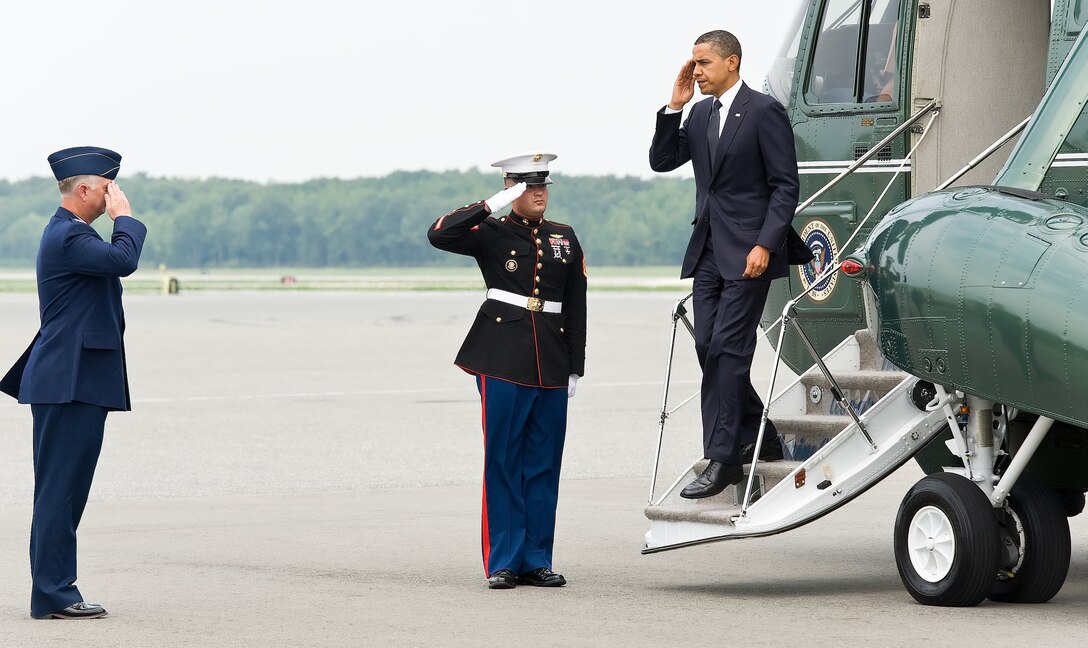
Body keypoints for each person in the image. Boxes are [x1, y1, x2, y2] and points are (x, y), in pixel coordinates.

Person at [649, 31, 811, 499]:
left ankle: (723, 461)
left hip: (749, 255)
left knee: (729, 351)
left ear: (731, 63)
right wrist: (674, 107)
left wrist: (766, 244)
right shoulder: (699, 113)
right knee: (707, 346)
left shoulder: (763, 112)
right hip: (707, 250)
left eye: (702, 63)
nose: (695, 71)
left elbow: (785, 186)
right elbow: (662, 161)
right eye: (693, 64)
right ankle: (762, 433)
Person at [427, 153, 586, 589]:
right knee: (503, 461)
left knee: (543, 464)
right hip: (499, 359)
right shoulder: (491, 233)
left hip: (551, 361)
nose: (539, 193)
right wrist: (492, 202)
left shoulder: (564, 237)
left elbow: (576, 304)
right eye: (527, 186)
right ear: (512, 189)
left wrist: (576, 366)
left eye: (543, 185)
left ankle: (537, 559)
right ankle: (503, 560)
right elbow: (439, 233)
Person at [0, 147, 147, 619]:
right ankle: (54, 593)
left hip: (73, 379)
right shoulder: (68, 237)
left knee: (63, 491)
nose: (114, 195)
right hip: (70, 381)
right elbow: (123, 259)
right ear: (83, 189)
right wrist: (125, 218)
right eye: (108, 187)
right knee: (60, 492)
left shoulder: (72, 235)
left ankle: (54, 589)